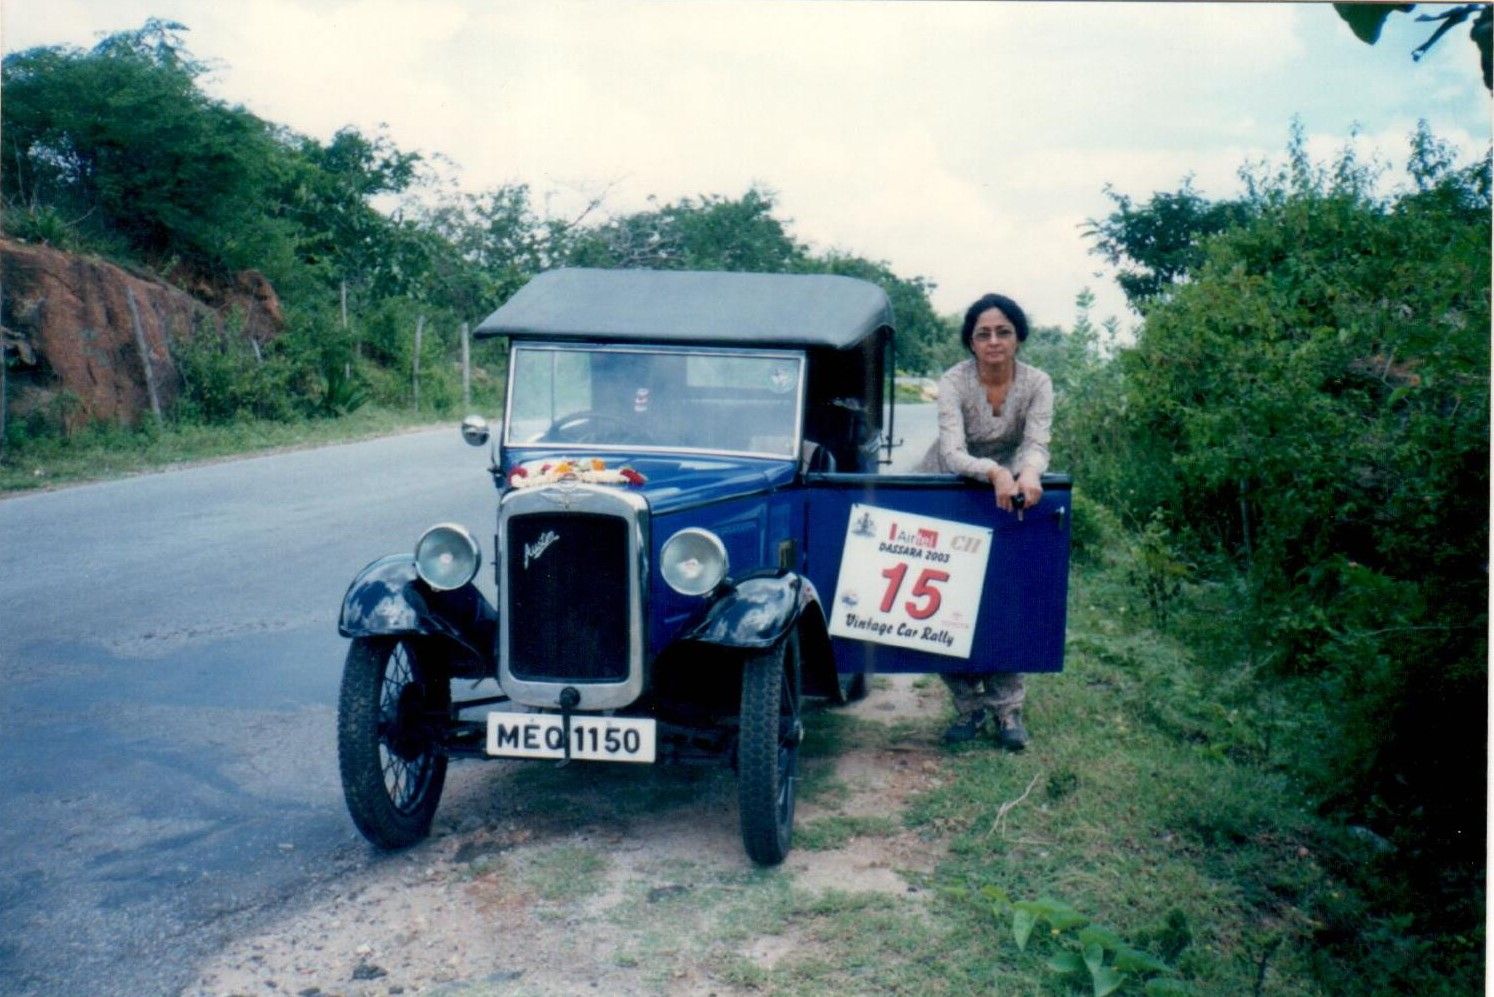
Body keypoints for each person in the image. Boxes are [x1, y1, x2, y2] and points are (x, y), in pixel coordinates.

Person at [916, 292, 1052, 750]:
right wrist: (994, 471)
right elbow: (953, 451)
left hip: (1009, 492)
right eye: (983, 333)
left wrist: (1027, 471)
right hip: (950, 487)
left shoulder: (1038, 382)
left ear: (1017, 338)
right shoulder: (953, 381)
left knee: (1006, 594)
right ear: (971, 342)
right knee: (939, 598)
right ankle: (968, 708)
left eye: (1003, 332)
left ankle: (1008, 710)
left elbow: (1036, 441)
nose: (994, 341)